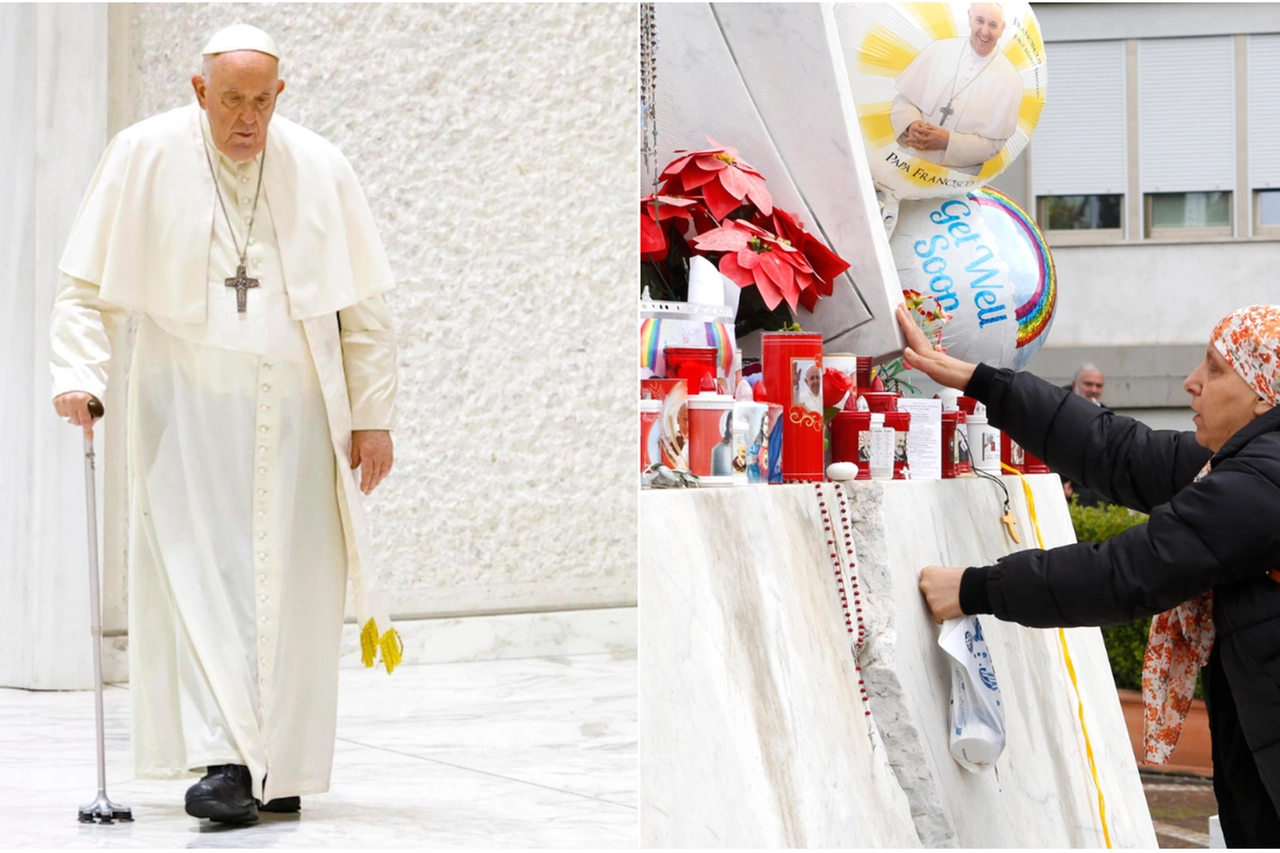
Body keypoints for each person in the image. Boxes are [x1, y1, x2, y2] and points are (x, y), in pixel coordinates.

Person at [49, 24, 401, 824]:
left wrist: (373, 415)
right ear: (199, 90)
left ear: (282, 94)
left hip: (304, 403)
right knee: (202, 577)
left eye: (261, 102)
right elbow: (83, 287)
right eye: (231, 101)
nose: (247, 119)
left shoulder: (321, 166)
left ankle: (280, 767)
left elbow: (366, 310)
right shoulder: (142, 154)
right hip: (186, 400)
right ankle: (226, 762)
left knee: (297, 583)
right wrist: (78, 375)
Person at [900, 302, 1280, 846]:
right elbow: (1121, 451)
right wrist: (981, 381)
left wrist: (973, 588)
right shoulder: (1239, 463)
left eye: (1216, 369)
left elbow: (1127, 573)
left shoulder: (1262, 483)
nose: (1191, 382)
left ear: (1263, 393)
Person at [889, 3, 1024, 173]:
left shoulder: (1010, 80)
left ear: (1002, 28)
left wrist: (948, 141)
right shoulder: (938, 50)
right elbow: (904, 100)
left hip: (957, 178)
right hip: (907, 164)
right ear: (970, 18)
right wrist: (911, 124)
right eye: (980, 21)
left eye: (992, 25)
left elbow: (994, 145)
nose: (984, 31)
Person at [1063, 364, 1110, 505]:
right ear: (1074, 384)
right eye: (1088, 384)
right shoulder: (1059, 410)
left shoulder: (1108, 416)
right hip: (1070, 491)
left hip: (1099, 493)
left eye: (1099, 386)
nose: (1094, 390)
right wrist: (1060, 481)